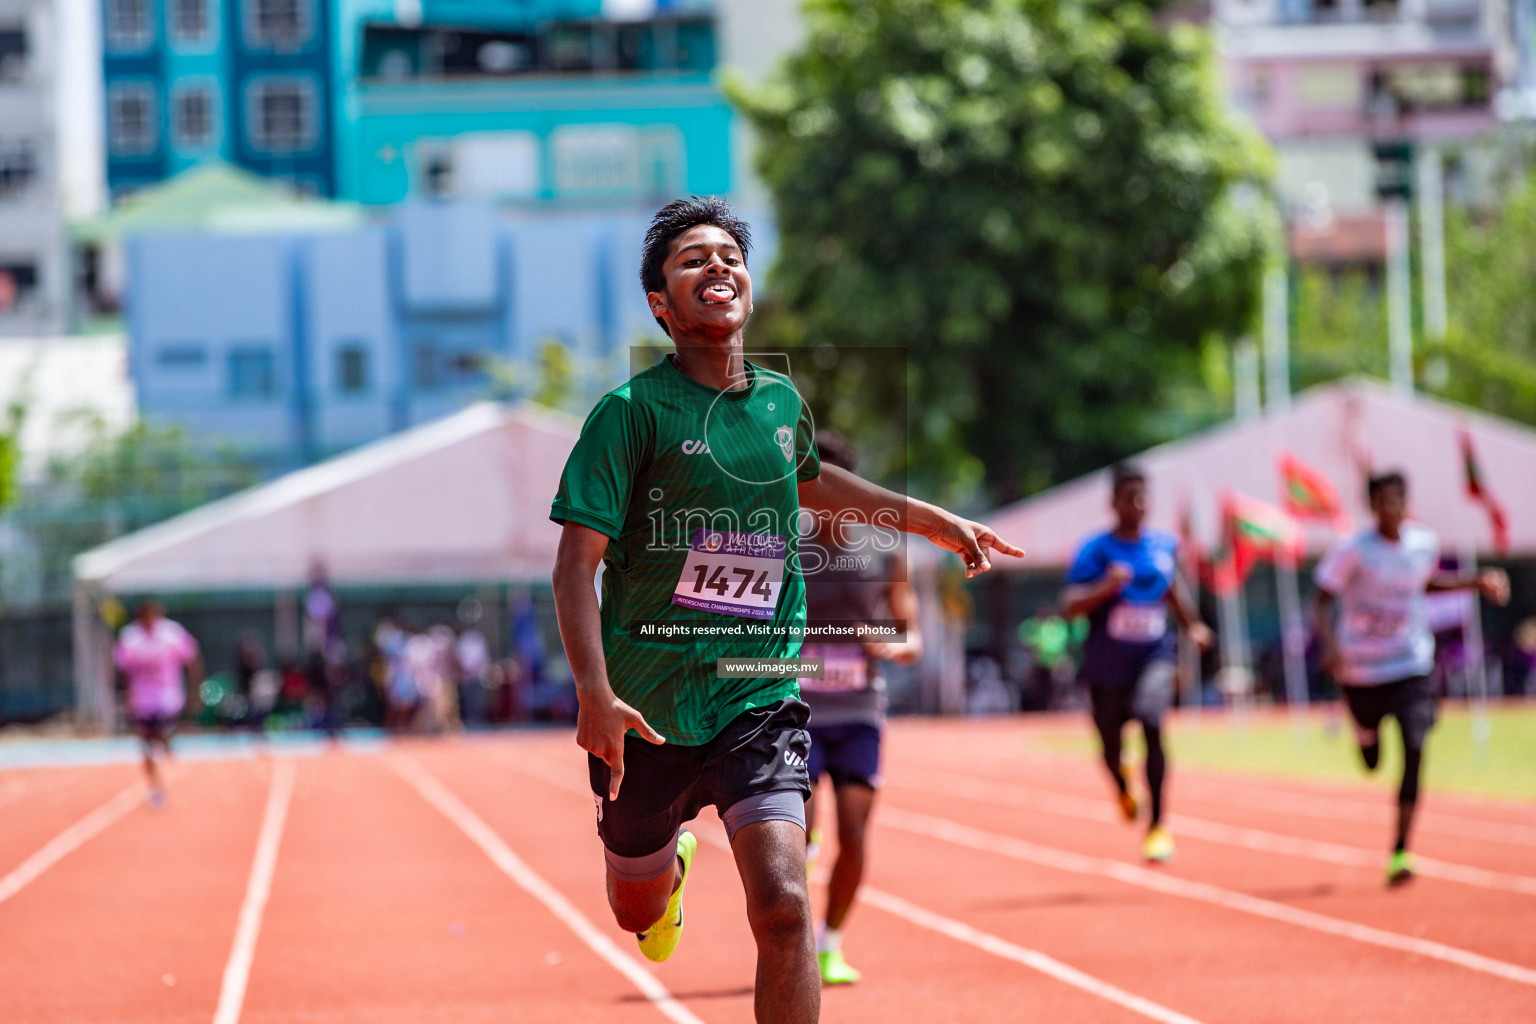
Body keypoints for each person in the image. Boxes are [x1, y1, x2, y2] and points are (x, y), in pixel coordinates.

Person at [550, 196, 1021, 1024]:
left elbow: (817, 482)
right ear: (660, 304)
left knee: (782, 905)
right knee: (635, 910)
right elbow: (573, 565)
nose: (718, 267)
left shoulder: (778, 404)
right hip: (645, 710)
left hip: (756, 695)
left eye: (729, 255)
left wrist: (932, 520)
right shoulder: (629, 416)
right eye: (692, 260)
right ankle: (667, 871)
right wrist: (593, 692)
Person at [1313, 470, 1509, 885]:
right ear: (1372, 506)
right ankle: (1364, 731)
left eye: (1399, 499)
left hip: (1409, 661)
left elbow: (1425, 584)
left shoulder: (1423, 543)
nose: (1393, 507)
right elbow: (1321, 600)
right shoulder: (1353, 550)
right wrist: (1330, 645)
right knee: (1371, 761)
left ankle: (1401, 849)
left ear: (1406, 502)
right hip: (1361, 668)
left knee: (1415, 746)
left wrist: (1475, 582)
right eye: (1384, 500)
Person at [797, 431, 922, 987]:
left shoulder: (884, 550)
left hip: (857, 712)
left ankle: (831, 943)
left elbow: (908, 631)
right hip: (793, 709)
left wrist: (891, 642)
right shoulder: (783, 551)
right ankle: (793, 943)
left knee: (854, 834)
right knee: (793, 844)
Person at [1062, 463, 1213, 862]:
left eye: (1144, 495)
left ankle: (1159, 825)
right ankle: (1123, 785)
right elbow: (1069, 607)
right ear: (1113, 502)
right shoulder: (1095, 551)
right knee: (1111, 749)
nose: (1139, 503)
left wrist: (1194, 626)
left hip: (1154, 656)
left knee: (1151, 719)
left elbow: (1173, 590)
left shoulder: (1163, 546)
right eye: (1130, 496)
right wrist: (1106, 586)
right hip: (1106, 668)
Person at [112, 599, 202, 809]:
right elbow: (122, 669)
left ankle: (166, 740)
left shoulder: (171, 634)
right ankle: (155, 786)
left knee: (159, 736)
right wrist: (126, 695)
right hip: (142, 700)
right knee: (145, 745)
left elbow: (192, 660)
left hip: (167, 698)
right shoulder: (130, 638)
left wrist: (195, 691)